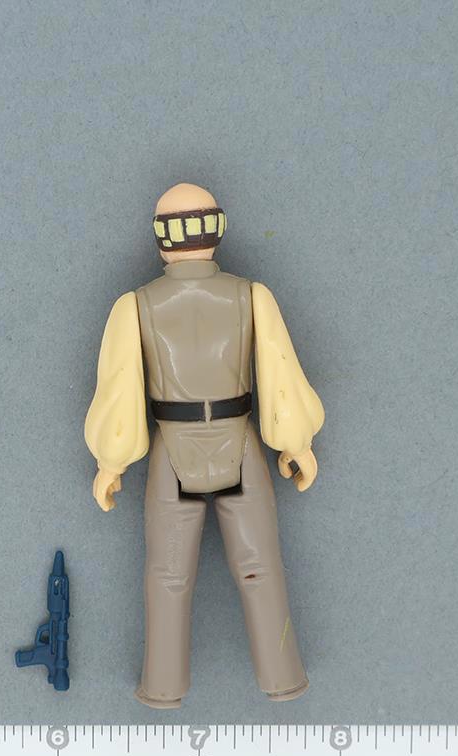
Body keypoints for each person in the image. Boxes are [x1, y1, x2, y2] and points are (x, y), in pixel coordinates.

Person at [84, 183, 325, 707]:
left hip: (174, 450)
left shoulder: (135, 307)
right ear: (216, 228)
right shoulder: (251, 296)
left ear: (162, 238)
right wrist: (295, 442)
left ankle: (163, 685)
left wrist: (111, 460)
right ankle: (282, 675)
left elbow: (119, 389)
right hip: (239, 443)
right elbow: (281, 375)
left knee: (168, 576)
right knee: (260, 567)